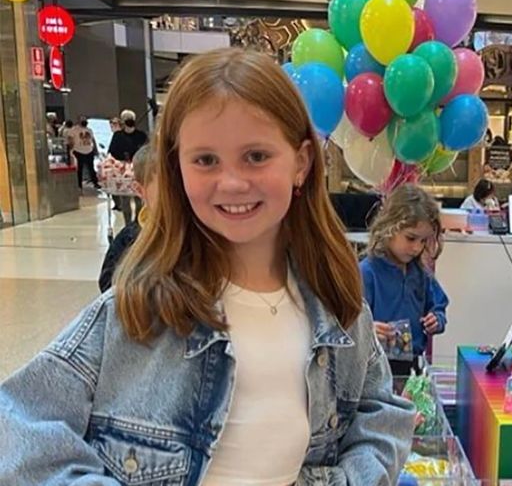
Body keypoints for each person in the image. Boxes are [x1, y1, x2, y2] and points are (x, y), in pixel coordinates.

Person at [0, 48, 414, 484]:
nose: (232, 182)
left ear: (301, 162)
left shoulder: (338, 308)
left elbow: (381, 414)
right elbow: (17, 428)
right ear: (177, 169)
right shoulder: (133, 312)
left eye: (256, 156)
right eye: (205, 160)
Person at [360, 184, 449, 376]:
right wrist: (367, 330)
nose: (417, 248)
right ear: (389, 228)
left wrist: (437, 319)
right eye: (411, 238)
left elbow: (439, 307)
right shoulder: (367, 272)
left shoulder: (421, 274)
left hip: (413, 367)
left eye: (423, 241)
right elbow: (348, 324)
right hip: (374, 367)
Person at [98, 144, 155, 292]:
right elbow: (108, 284)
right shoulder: (128, 240)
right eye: (165, 186)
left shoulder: (195, 230)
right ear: (140, 190)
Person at [108, 110, 148, 226]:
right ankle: (128, 224)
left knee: (139, 198)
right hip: (122, 170)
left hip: (138, 168)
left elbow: (146, 150)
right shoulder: (118, 136)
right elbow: (112, 152)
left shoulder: (141, 135)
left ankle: (137, 223)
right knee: (125, 199)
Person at [72, 118, 100, 191]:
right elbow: (71, 139)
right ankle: (79, 184)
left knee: (91, 168)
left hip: (89, 150)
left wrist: (95, 149)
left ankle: (95, 182)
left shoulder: (89, 130)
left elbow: (92, 140)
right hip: (79, 151)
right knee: (80, 169)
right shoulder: (75, 130)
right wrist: (72, 149)